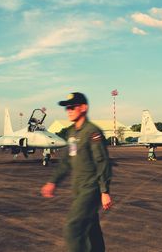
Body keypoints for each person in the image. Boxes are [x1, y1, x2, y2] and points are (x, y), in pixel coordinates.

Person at [41, 92, 113, 252]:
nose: (69, 110)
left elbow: (102, 162)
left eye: (72, 107)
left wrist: (104, 191)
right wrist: (53, 181)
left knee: (72, 228)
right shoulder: (72, 133)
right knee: (91, 229)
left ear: (83, 108)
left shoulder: (92, 132)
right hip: (78, 190)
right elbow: (66, 162)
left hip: (91, 189)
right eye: (67, 108)